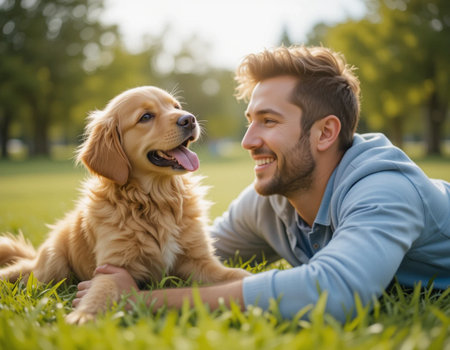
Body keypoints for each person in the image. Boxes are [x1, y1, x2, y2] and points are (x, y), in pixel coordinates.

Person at [73, 45, 450, 322]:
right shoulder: (273, 198)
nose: (248, 140)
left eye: (268, 121)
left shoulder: (385, 190)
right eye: (250, 120)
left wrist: (140, 301)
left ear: (325, 133)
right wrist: (117, 267)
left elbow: (334, 294)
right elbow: (188, 259)